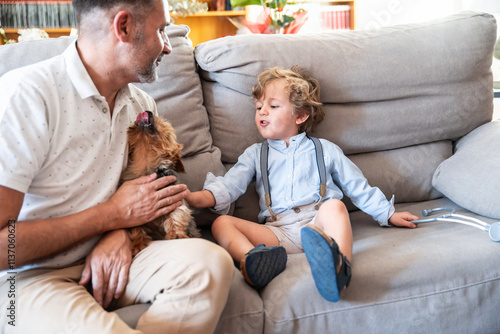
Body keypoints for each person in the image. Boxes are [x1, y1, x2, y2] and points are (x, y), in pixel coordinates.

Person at [0, 0, 233, 333]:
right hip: (25, 277)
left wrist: (118, 232)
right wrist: (110, 217)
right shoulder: (26, 96)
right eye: (161, 30)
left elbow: (136, 198)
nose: (168, 46)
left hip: (112, 255)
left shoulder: (141, 107)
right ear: (123, 27)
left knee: (210, 265)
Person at [186, 66, 419, 302]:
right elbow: (228, 187)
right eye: (258, 108)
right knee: (221, 223)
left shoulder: (325, 150)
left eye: (273, 106)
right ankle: (254, 261)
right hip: (278, 233)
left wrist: (387, 214)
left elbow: (357, 186)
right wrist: (193, 198)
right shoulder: (255, 154)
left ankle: (339, 269)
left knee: (335, 207)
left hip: (318, 223)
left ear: (300, 116)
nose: (262, 112)